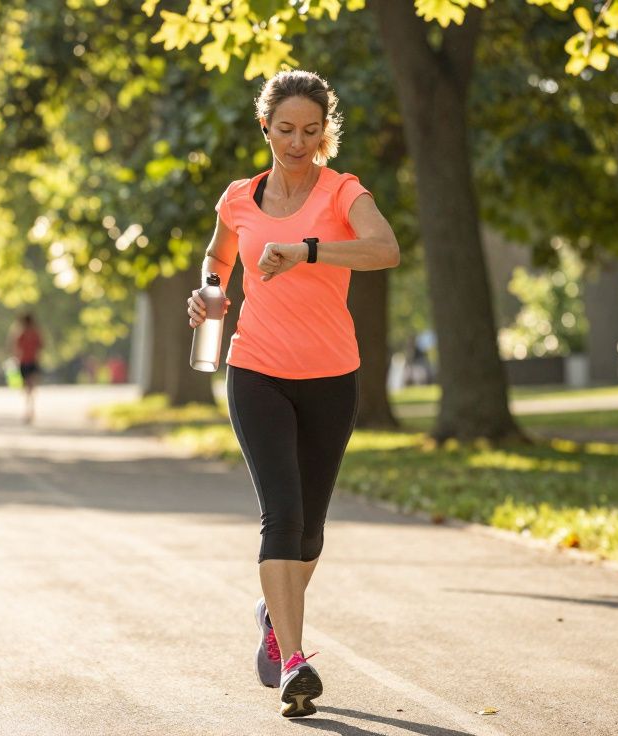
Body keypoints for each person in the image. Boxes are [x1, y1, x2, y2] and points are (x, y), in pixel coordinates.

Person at [186, 69, 400, 718]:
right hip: (256, 370)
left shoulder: (343, 191)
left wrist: (308, 250)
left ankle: (274, 620)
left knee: (309, 529)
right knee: (281, 514)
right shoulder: (238, 199)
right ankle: (296, 663)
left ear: (324, 130)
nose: (297, 142)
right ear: (265, 128)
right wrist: (209, 295)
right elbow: (217, 260)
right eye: (285, 130)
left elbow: (385, 250)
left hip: (332, 376)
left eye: (310, 130)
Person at [8, 312, 43, 424]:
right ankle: (30, 409)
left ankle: (29, 410)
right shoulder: (30, 333)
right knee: (30, 386)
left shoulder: (24, 333)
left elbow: (15, 347)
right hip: (29, 362)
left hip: (27, 362)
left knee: (28, 386)